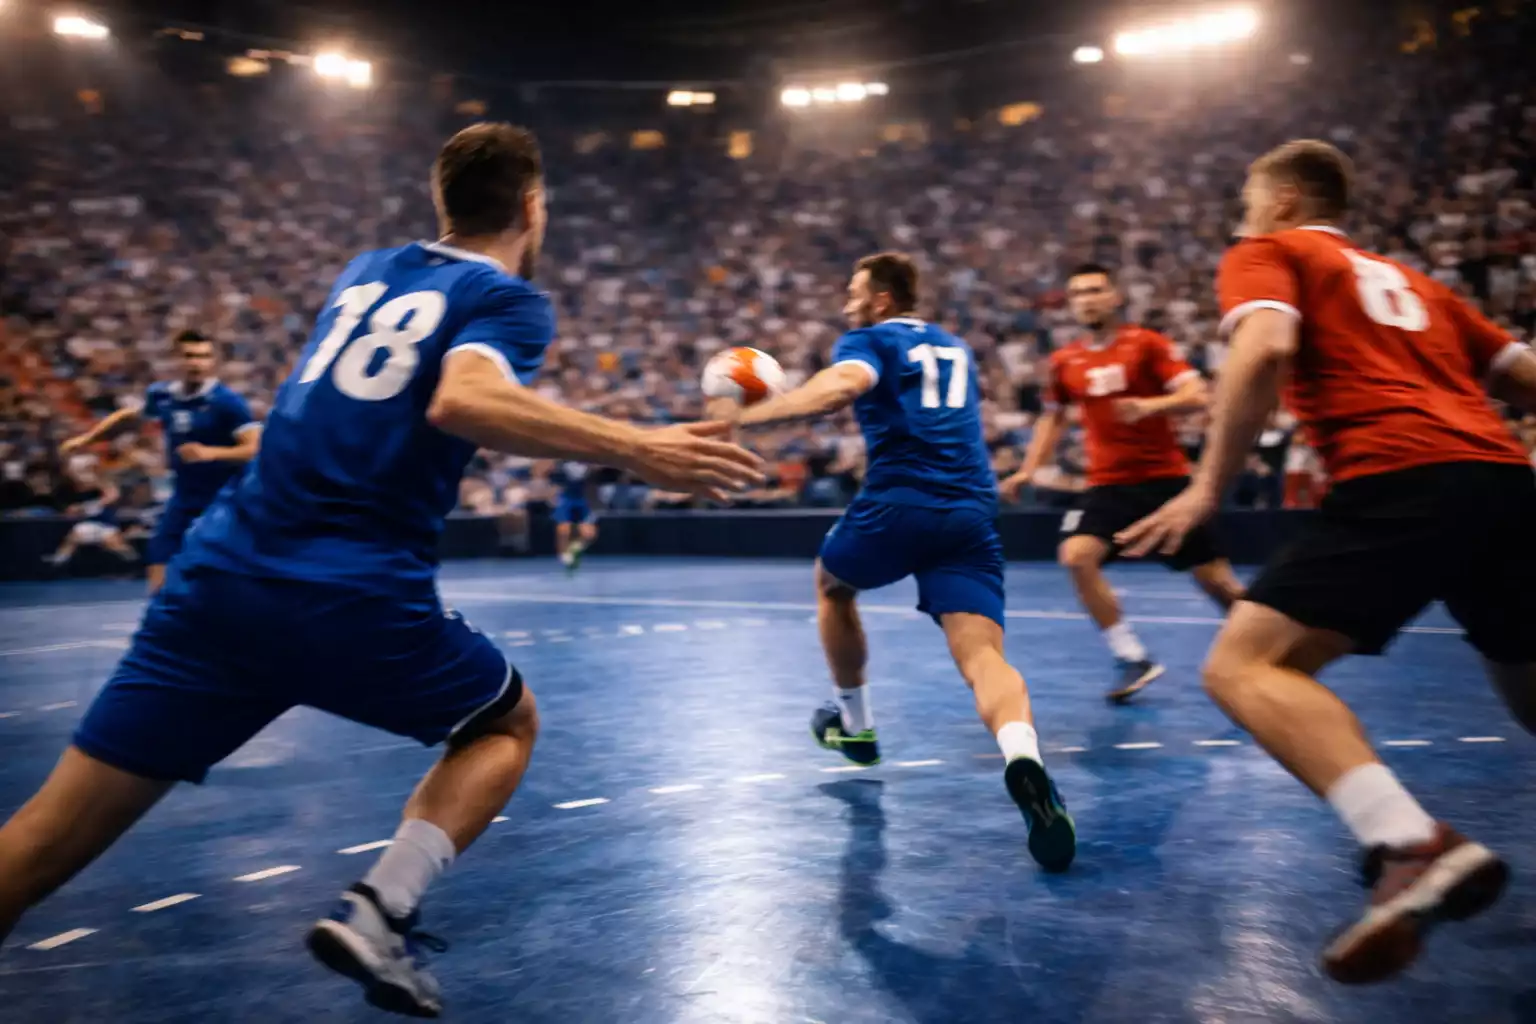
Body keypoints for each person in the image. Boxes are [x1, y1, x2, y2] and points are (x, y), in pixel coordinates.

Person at [0, 122, 763, 1017]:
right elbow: (462, 397)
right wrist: (638, 446)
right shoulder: (511, 300)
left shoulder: (364, 271)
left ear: (442, 204)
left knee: (43, 838)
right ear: (531, 205)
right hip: (346, 593)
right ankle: (379, 908)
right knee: (503, 725)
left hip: (219, 581)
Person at [1117, 138, 1536, 985]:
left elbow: (1265, 348)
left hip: (1401, 476)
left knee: (1243, 668)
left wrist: (1205, 490)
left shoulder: (1267, 250)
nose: (1241, 217)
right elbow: (1525, 373)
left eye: (1246, 199)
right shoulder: (1418, 284)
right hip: (1504, 481)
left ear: (1280, 202)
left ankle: (1408, 844)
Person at [717, 252, 1076, 873]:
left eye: (855, 292)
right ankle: (1023, 756)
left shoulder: (868, 338)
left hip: (900, 502)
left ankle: (854, 723)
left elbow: (841, 387)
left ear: (882, 299)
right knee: (983, 657)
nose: (846, 302)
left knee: (833, 585)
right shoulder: (955, 345)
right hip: (971, 511)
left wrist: (745, 415)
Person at [1000, 264, 1244, 702]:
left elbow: (1198, 395)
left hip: (1166, 484)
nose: (1086, 299)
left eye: (1095, 290)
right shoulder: (1064, 361)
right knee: (1076, 556)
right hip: (1108, 486)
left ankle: (1267, 651)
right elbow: (1053, 417)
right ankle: (1132, 657)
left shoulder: (1147, 344)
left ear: (1114, 297)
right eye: (1077, 293)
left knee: (1219, 583)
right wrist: (1028, 468)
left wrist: (1150, 406)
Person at [59, 330, 261, 593]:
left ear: (213, 361)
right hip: (184, 497)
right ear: (176, 359)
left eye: (204, 357)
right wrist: (86, 439)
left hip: (225, 499)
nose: (196, 363)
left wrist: (211, 453)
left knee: (226, 571)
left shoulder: (228, 403)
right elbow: (128, 417)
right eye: (189, 356)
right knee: (158, 558)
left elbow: (255, 448)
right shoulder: (162, 395)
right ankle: (165, 619)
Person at [43, 465, 139, 570]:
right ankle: (58, 562)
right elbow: (70, 511)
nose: (87, 479)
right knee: (72, 538)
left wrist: (93, 504)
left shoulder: (108, 493)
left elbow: (113, 496)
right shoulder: (79, 495)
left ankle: (135, 562)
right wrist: (78, 509)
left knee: (115, 544)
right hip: (89, 524)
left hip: (107, 525)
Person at [548, 460, 597, 571]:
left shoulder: (588, 464)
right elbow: (551, 477)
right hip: (566, 499)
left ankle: (575, 547)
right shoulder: (561, 463)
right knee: (563, 530)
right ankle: (563, 555)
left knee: (589, 534)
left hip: (581, 500)